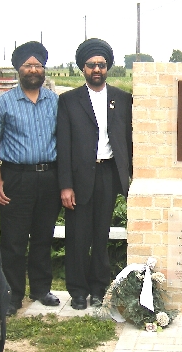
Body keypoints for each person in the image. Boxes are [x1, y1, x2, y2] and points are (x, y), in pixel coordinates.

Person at [57, 38, 133, 310]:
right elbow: (63, 146)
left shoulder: (122, 99)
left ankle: (99, 289)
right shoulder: (68, 101)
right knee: (78, 236)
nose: (97, 69)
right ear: (83, 68)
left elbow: (128, 140)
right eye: (92, 65)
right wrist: (65, 185)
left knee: (101, 235)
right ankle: (78, 291)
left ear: (108, 67)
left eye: (102, 64)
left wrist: (130, 176)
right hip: (79, 178)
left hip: (108, 175)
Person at [0, 41, 61, 316]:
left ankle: (41, 289)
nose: (33, 70)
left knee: (43, 236)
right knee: (13, 240)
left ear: (43, 70)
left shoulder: (55, 102)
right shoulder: (3, 104)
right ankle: (12, 295)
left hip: (48, 177)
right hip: (15, 178)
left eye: (38, 65)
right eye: (28, 65)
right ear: (18, 69)